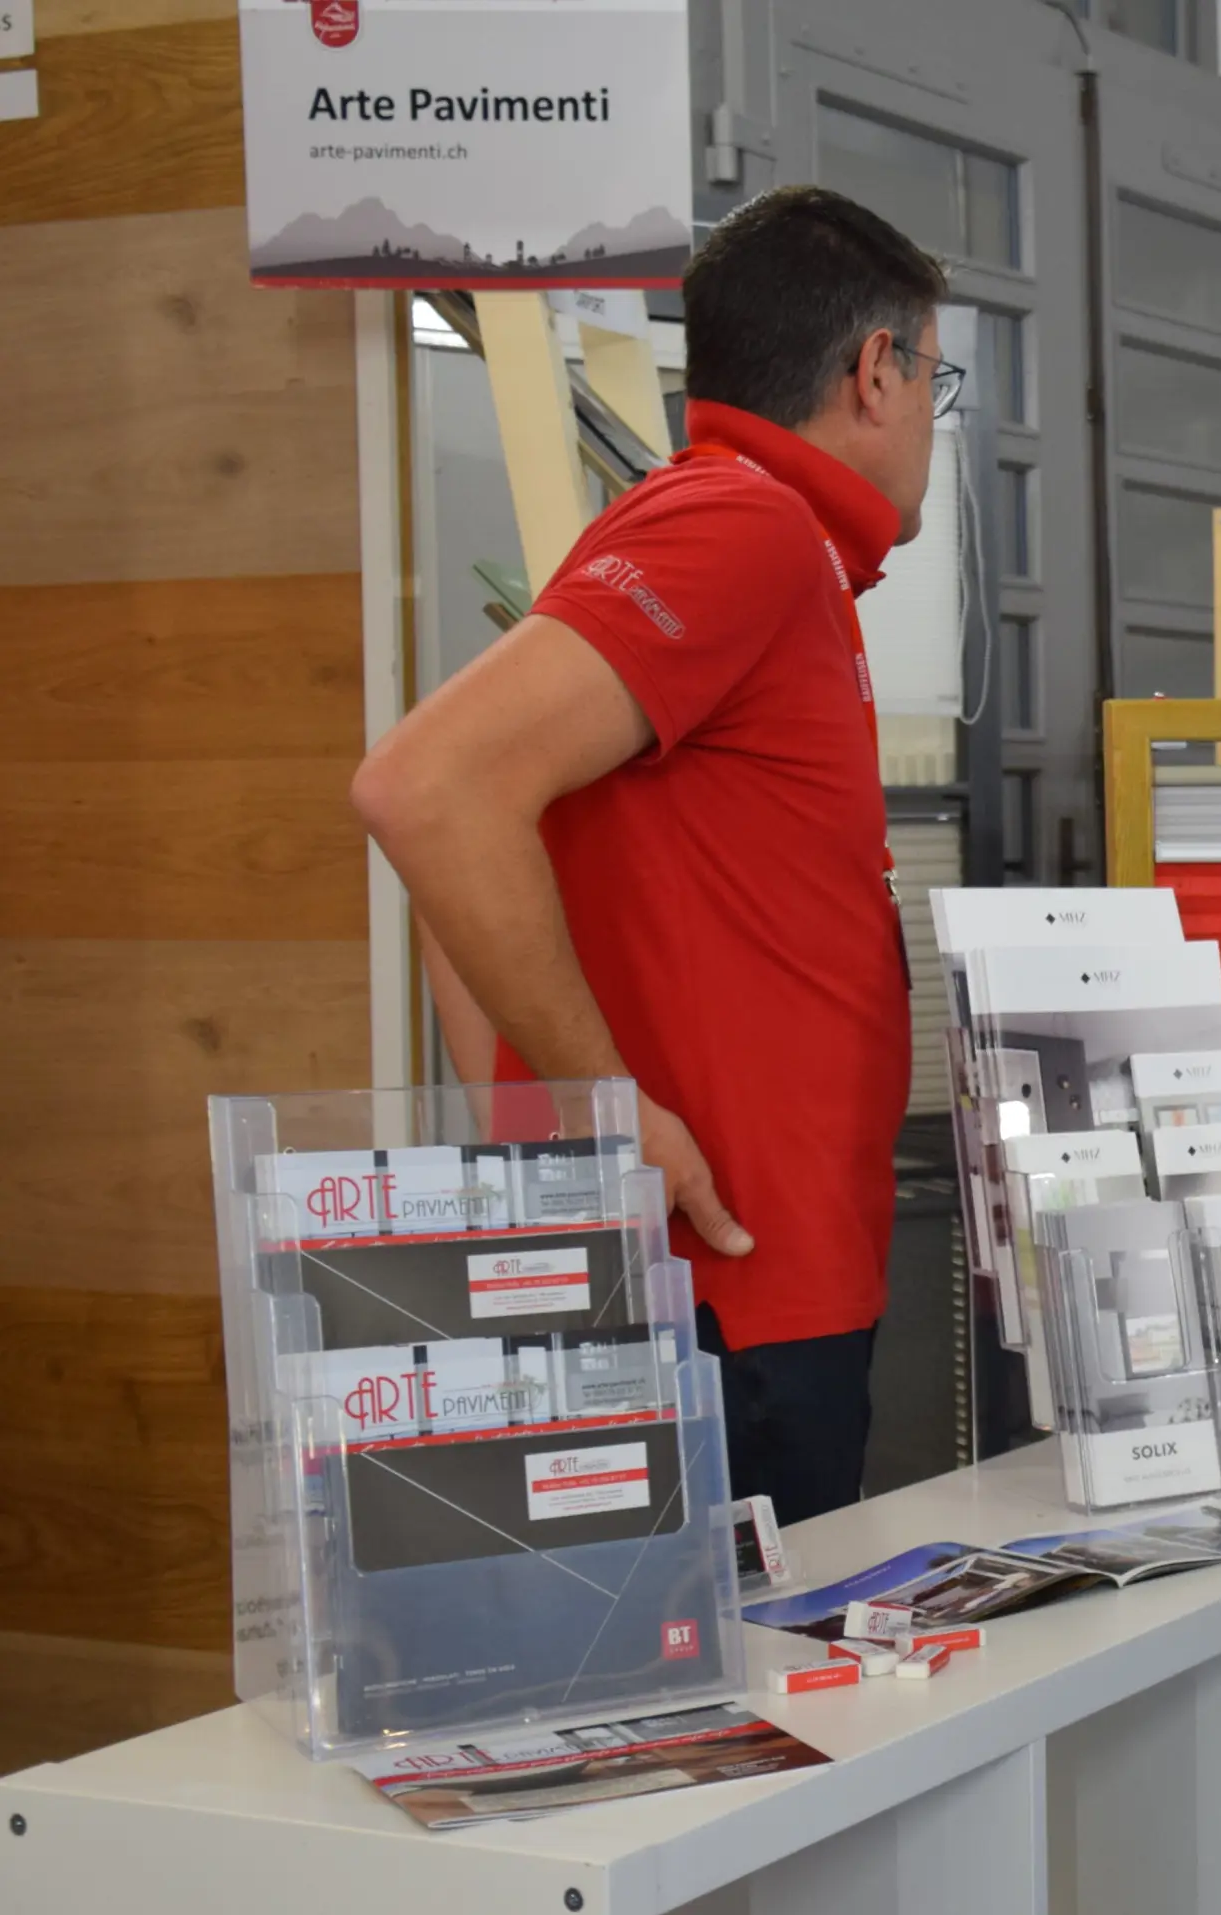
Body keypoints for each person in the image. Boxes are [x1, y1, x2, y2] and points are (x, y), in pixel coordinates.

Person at [352, 187, 952, 1523]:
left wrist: (548, 1116)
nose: (927, 418)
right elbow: (425, 790)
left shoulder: (770, 542)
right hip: (719, 1298)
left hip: (738, 1277)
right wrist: (594, 1113)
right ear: (875, 372)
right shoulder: (734, 530)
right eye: (933, 378)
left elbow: (482, 824)